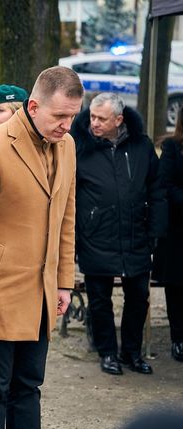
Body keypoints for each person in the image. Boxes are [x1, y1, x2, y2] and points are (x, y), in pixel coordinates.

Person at [0, 66, 82, 429]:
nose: (67, 125)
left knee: (29, 388)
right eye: (60, 116)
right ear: (34, 106)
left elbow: (66, 218)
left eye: (73, 116)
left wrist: (63, 282)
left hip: (41, 295)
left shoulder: (68, 146)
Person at [70, 92, 166, 376]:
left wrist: (155, 232)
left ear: (119, 120)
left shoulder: (141, 146)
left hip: (136, 235)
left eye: (101, 118)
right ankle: (107, 352)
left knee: (138, 298)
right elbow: (69, 195)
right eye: (92, 117)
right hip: (95, 235)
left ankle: (131, 353)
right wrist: (76, 235)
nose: (94, 123)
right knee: (100, 300)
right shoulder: (78, 147)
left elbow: (158, 189)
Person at [153, 105, 183, 363]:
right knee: (177, 290)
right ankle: (179, 338)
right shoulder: (173, 148)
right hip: (178, 233)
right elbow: (165, 185)